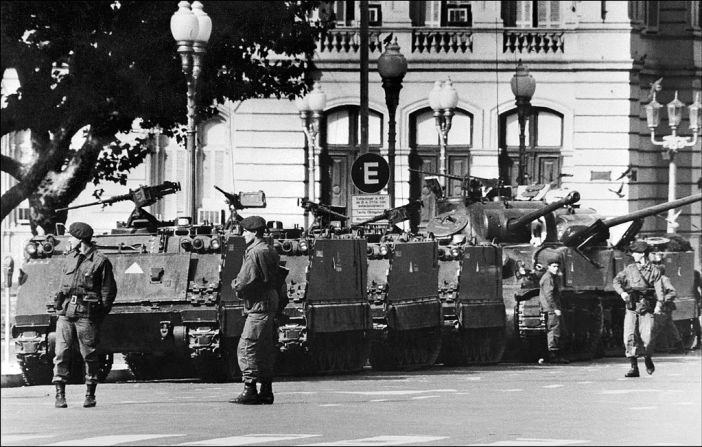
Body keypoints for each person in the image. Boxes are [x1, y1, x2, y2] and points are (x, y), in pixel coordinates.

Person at [52, 222, 116, 408]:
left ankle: (90, 393)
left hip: (86, 314)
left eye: (71, 236)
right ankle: (59, 394)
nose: (69, 239)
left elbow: (108, 291)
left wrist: (99, 314)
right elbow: (62, 285)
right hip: (65, 312)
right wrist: (58, 306)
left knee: (89, 354)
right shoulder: (69, 258)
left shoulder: (100, 261)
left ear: (80, 240)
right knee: (61, 353)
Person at [229, 216, 281, 405]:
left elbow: (244, 281)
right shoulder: (269, 250)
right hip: (270, 302)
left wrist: (235, 284)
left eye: (245, 231)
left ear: (254, 232)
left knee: (246, 347)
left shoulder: (254, 252)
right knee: (265, 348)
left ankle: (250, 389)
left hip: (259, 305)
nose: (243, 235)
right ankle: (266, 390)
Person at [612, 240, 670, 378]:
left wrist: (659, 305)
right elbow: (616, 281)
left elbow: (659, 290)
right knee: (629, 336)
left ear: (642, 254)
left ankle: (648, 358)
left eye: (636, 253)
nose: (633, 255)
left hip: (647, 307)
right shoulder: (629, 269)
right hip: (632, 306)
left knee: (648, 338)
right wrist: (622, 293)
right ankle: (634, 367)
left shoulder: (654, 271)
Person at [538, 254, 569, 364]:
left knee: (556, 330)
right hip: (551, 309)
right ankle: (553, 354)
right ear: (549, 267)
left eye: (557, 266)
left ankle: (553, 354)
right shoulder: (548, 278)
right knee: (554, 330)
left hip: (551, 308)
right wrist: (555, 308)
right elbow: (549, 295)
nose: (556, 268)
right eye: (554, 266)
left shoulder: (550, 277)